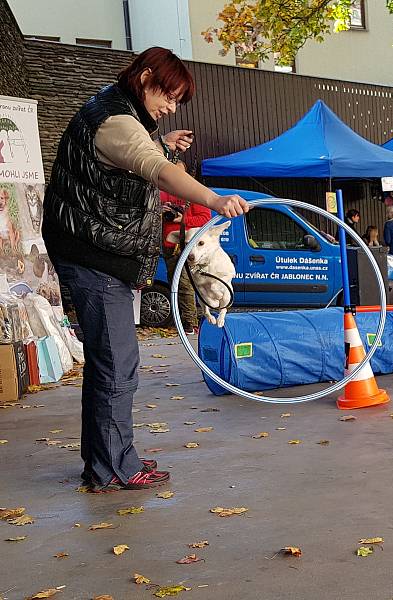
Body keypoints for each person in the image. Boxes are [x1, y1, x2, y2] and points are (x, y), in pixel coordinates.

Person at [42, 47, 249, 493]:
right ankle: (113, 468)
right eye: (169, 96)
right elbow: (153, 169)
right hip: (93, 254)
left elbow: (141, 156)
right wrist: (212, 199)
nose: (171, 107)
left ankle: (108, 459)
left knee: (111, 363)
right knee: (117, 364)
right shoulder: (114, 121)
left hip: (101, 252)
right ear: (146, 77)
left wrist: (165, 143)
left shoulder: (123, 112)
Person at [160, 161, 212, 334]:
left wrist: (182, 220)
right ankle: (183, 321)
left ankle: (190, 323)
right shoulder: (162, 191)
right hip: (168, 246)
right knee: (173, 284)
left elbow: (205, 218)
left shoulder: (191, 191)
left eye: (177, 172)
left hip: (186, 246)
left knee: (183, 284)